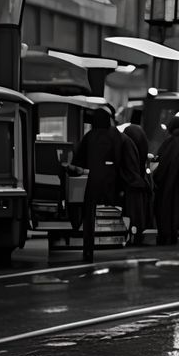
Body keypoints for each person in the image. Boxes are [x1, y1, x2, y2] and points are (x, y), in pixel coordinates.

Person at [68, 109, 141, 264]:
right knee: (125, 209)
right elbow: (124, 158)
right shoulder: (118, 137)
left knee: (89, 215)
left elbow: (78, 161)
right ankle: (132, 234)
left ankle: (88, 250)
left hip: (93, 181)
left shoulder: (89, 137)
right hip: (113, 182)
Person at [151, 115, 179, 247]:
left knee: (165, 210)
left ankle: (166, 236)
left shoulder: (167, 143)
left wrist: (156, 179)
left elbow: (159, 164)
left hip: (166, 185)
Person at [119, 108, 152, 246]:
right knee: (138, 211)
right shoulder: (141, 133)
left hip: (129, 179)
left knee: (128, 210)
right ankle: (138, 234)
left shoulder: (128, 132)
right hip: (140, 177)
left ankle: (129, 235)